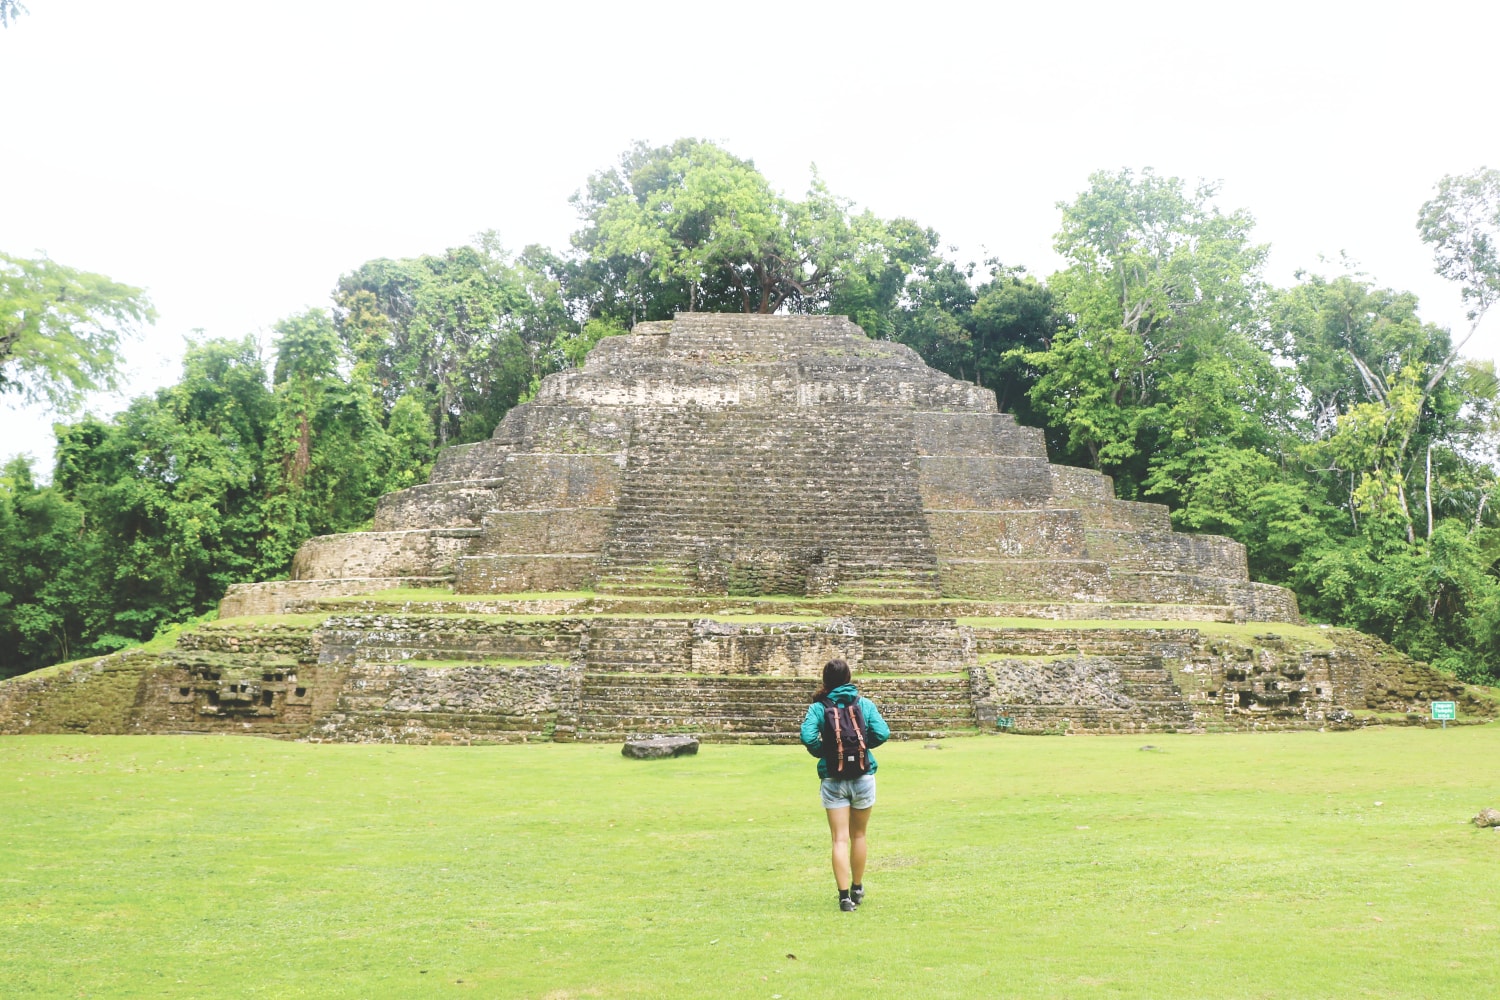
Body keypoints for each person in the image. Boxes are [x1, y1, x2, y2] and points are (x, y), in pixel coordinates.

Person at [800, 658, 890, 912]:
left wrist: (826, 751)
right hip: (863, 775)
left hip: (833, 778)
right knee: (859, 834)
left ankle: (843, 898)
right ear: (849, 677)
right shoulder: (864, 704)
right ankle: (858, 887)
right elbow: (882, 732)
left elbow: (807, 735)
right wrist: (862, 746)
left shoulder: (819, 707)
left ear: (825, 680)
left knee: (839, 839)